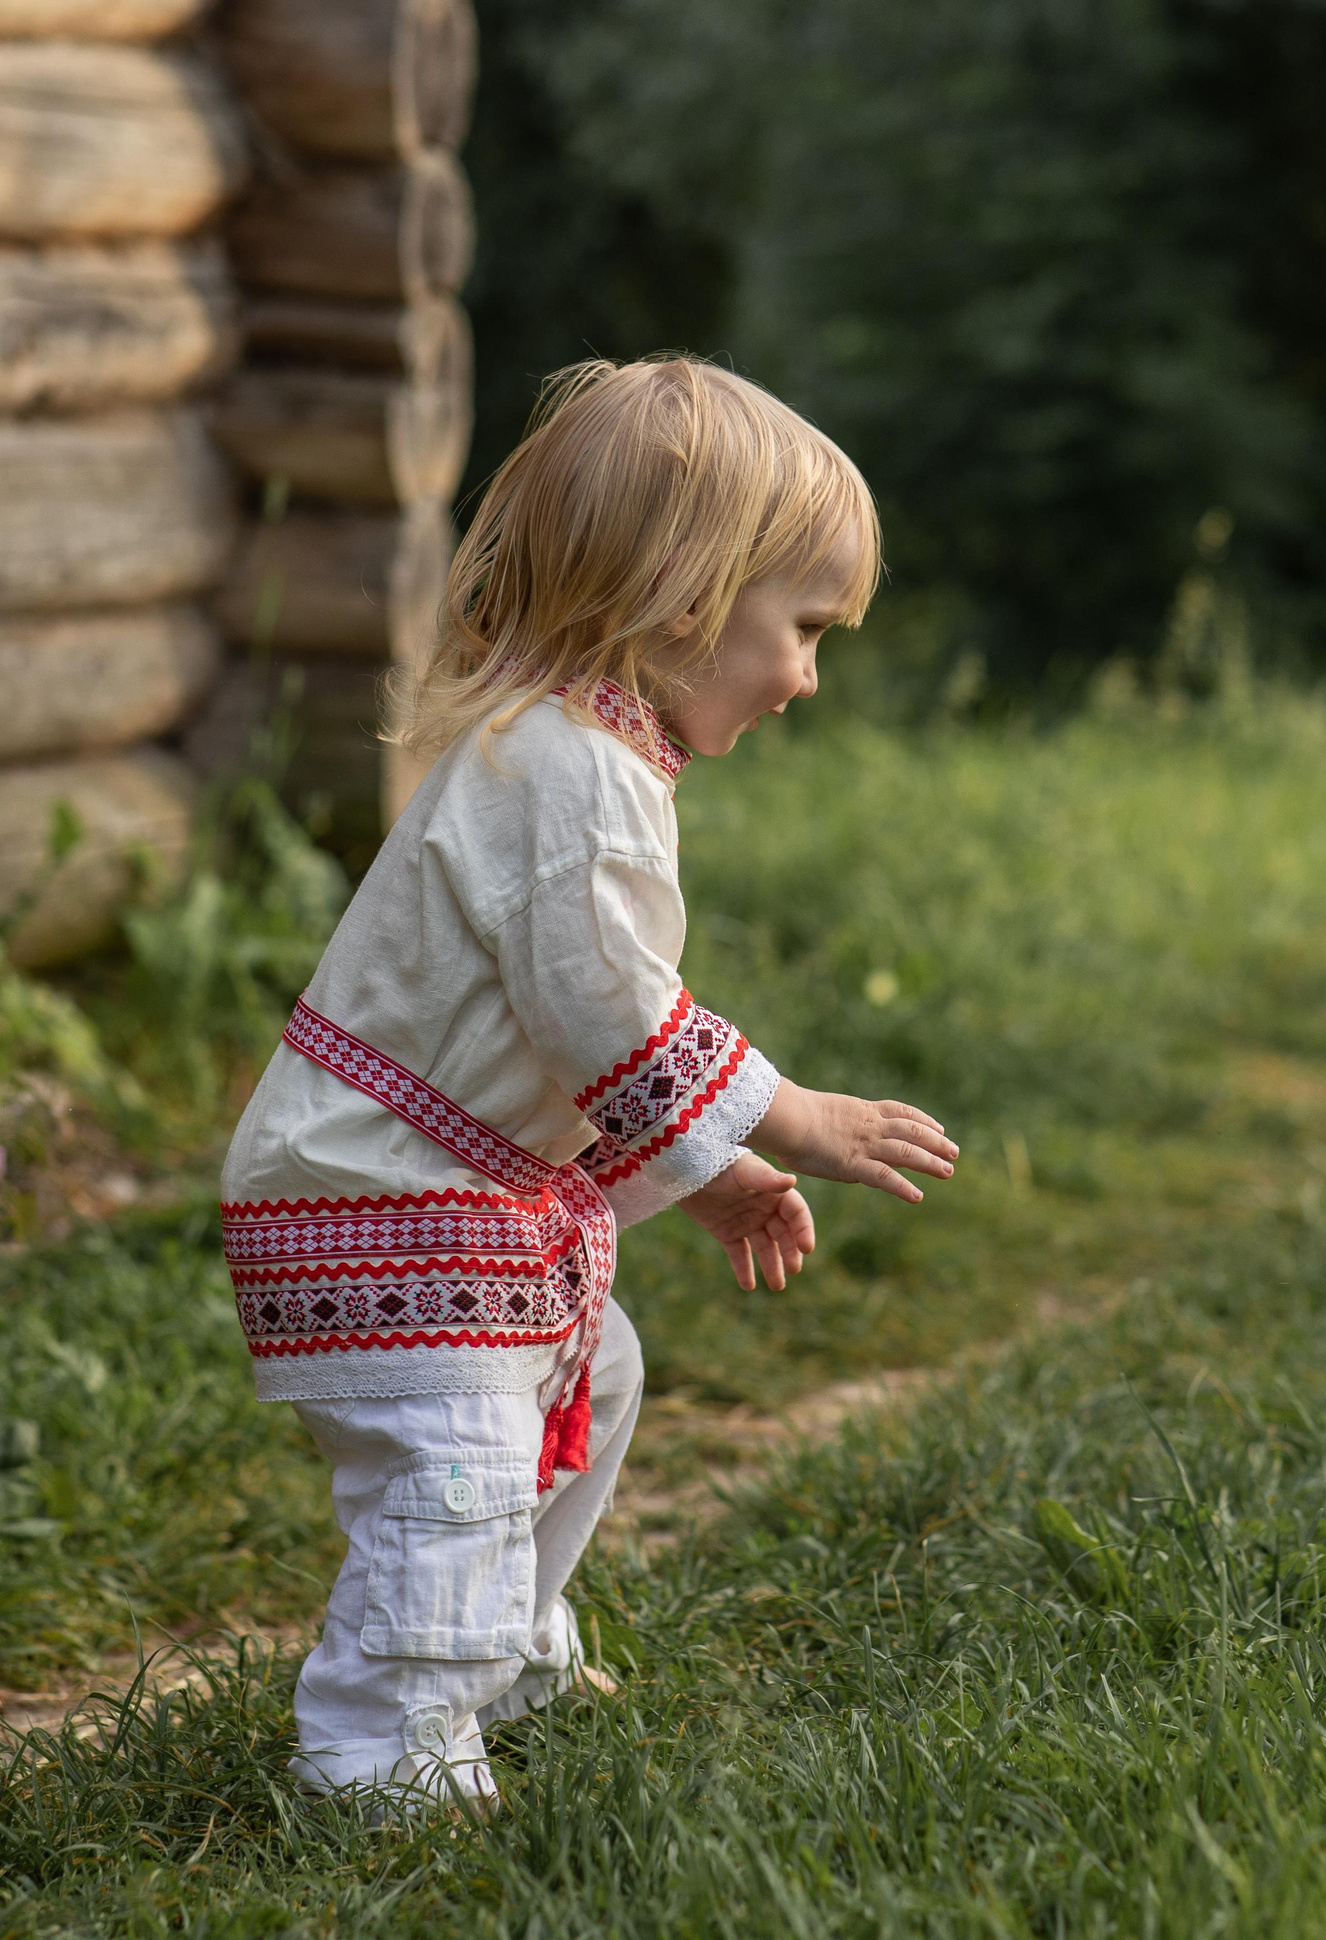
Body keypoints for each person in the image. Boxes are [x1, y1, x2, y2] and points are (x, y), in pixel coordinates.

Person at [219, 356, 959, 1815]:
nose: (809, 676)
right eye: (803, 627)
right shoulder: (571, 769)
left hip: (427, 1177)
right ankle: (385, 1749)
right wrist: (786, 1113)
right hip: (379, 1192)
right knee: (459, 1459)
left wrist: (706, 1170)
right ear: (690, 596)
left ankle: (496, 1646)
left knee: (592, 1371)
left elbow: (543, 1052)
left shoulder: (585, 756)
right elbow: (609, 1016)